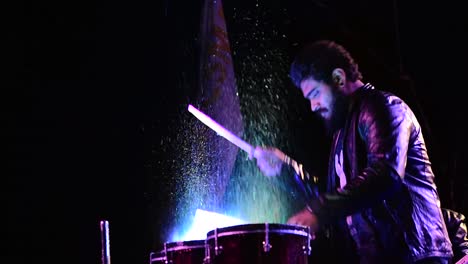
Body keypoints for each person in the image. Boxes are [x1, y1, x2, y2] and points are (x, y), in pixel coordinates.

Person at [251, 40, 453, 263]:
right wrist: (285, 168)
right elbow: (340, 193)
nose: (313, 106)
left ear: (338, 78)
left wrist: (319, 211)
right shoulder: (342, 132)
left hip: (413, 256)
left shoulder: (385, 106)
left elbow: (386, 174)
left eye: (315, 93)